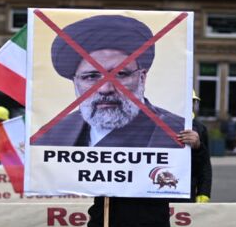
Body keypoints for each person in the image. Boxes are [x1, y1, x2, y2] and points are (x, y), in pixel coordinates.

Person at [33, 14, 183, 148]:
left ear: (142, 78)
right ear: (75, 82)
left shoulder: (178, 133)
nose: (105, 88)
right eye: (91, 77)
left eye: (120, 74)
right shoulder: (50, 136)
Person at [186, 91, 211, 203]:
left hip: (188, 188)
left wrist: (203, 192)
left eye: (192, 101)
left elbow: (205, 164)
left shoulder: (200, 128)